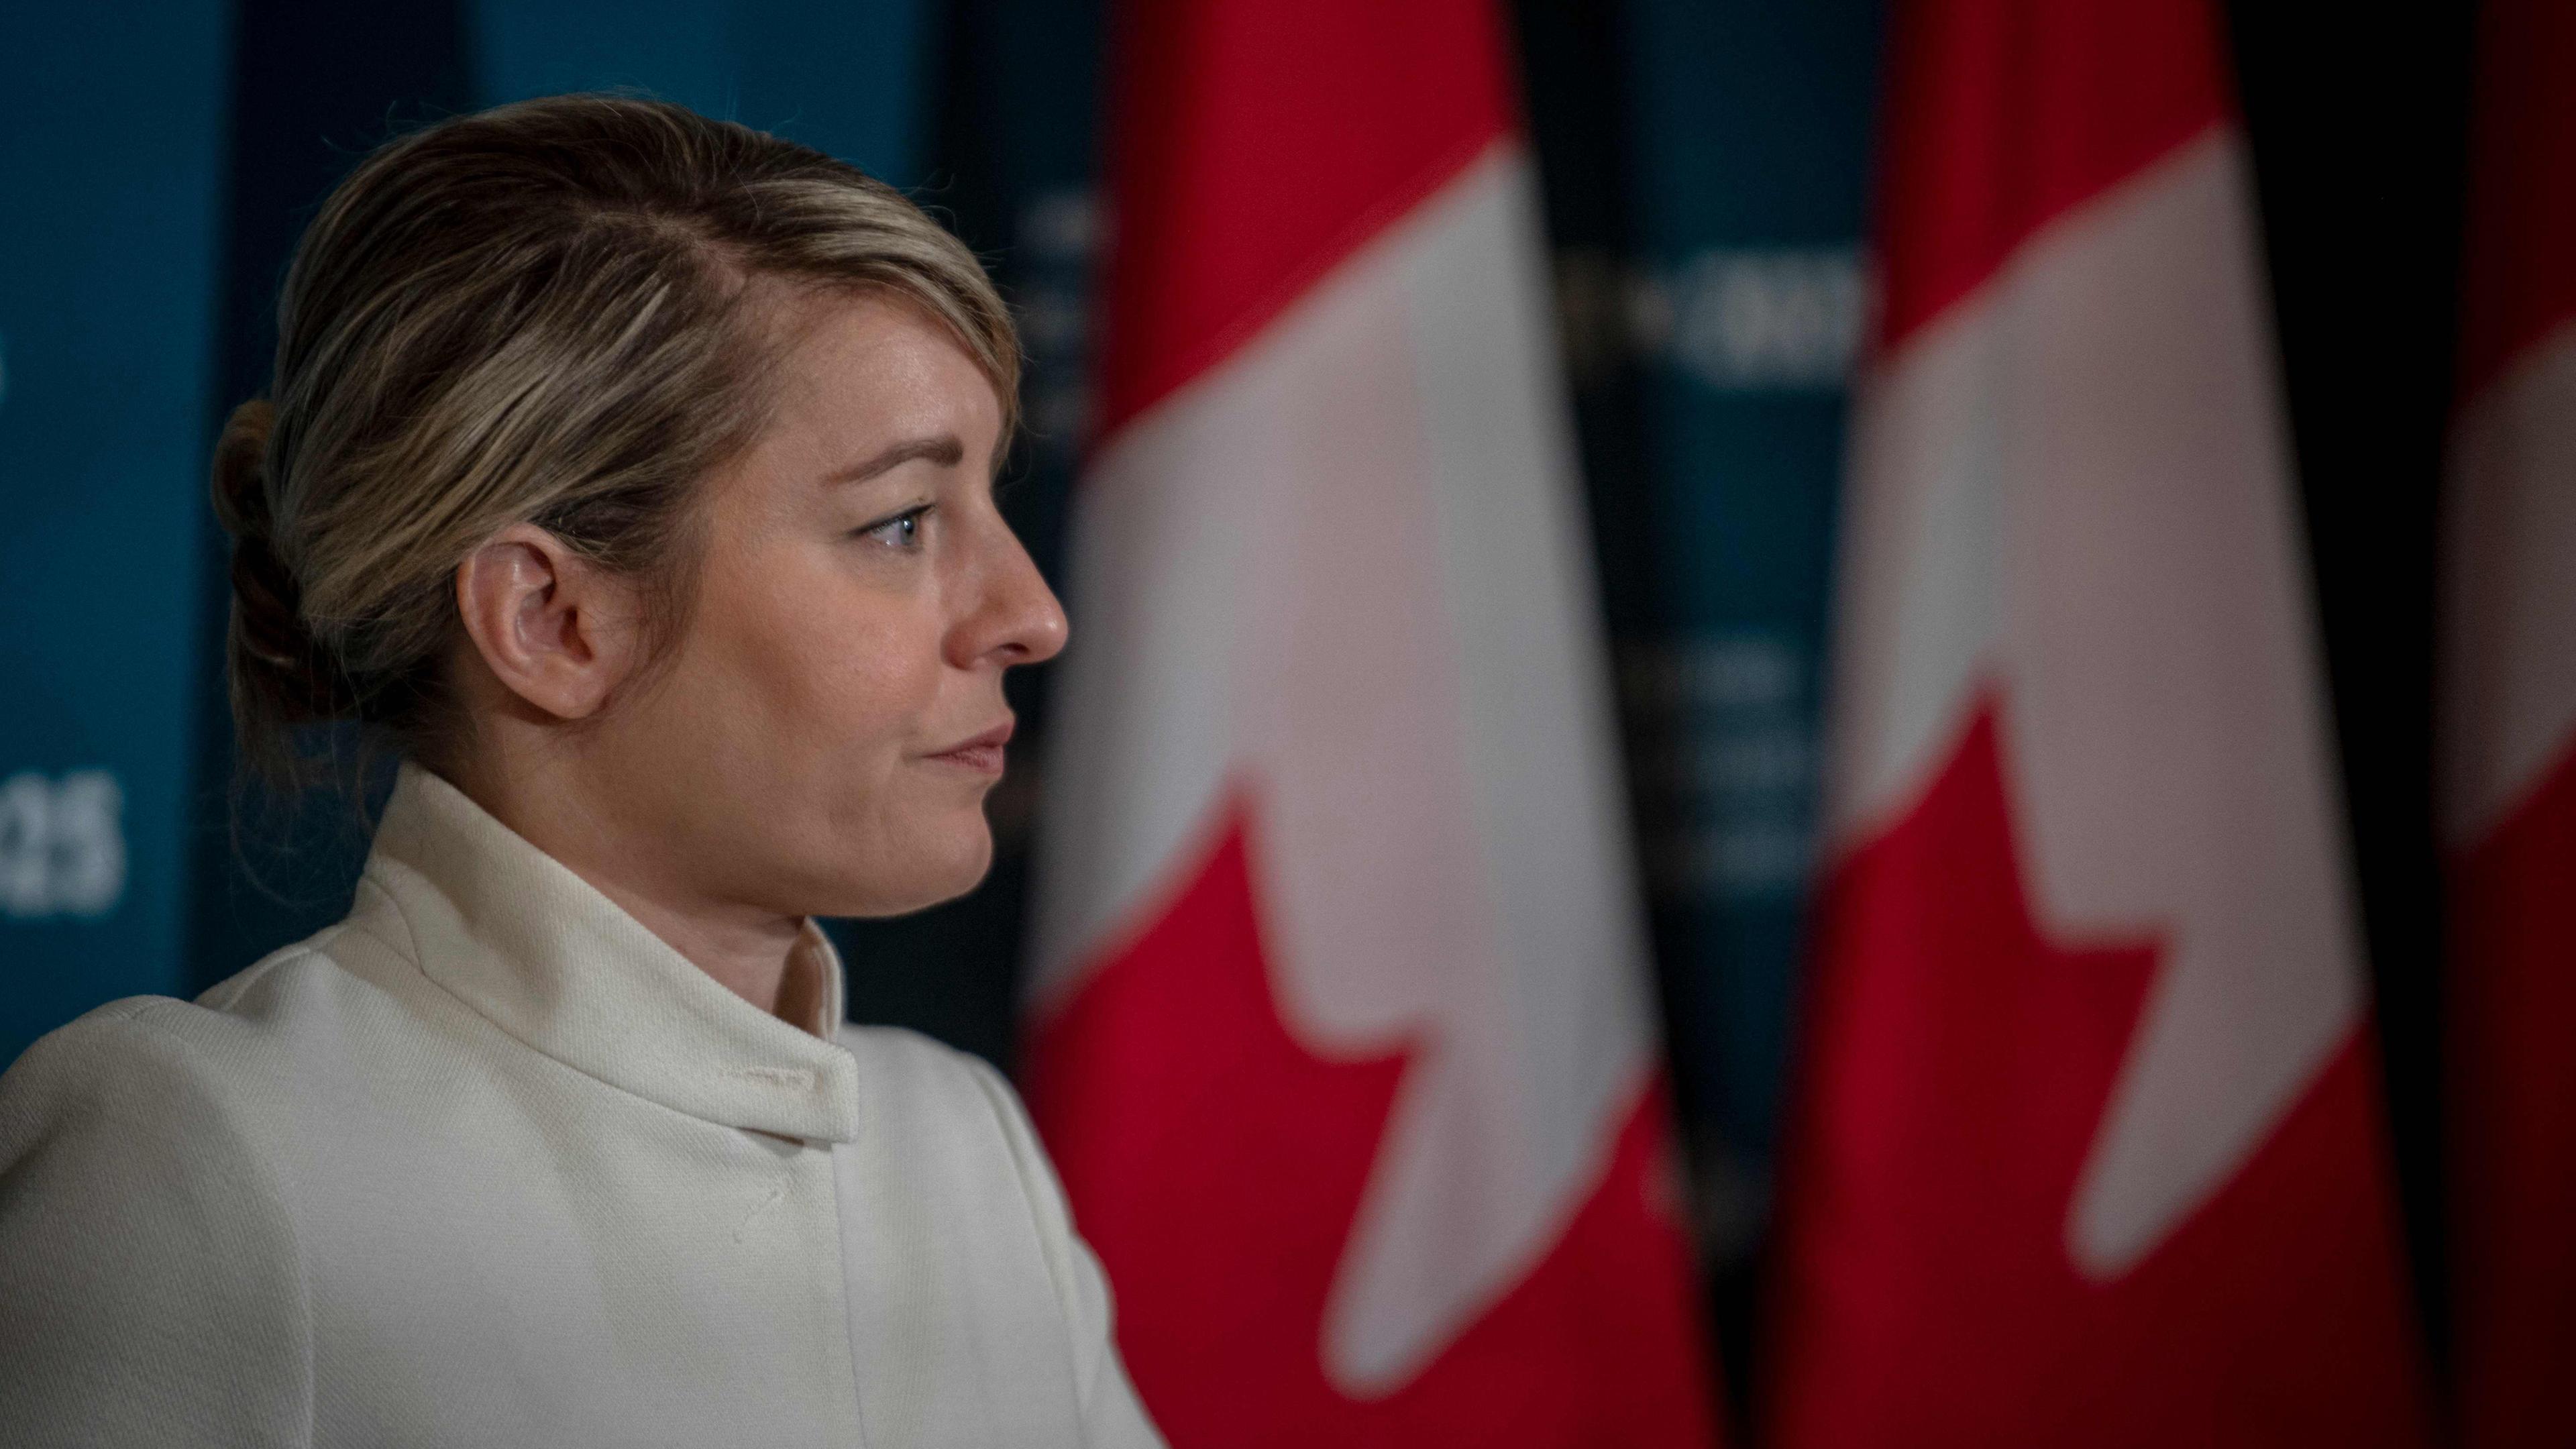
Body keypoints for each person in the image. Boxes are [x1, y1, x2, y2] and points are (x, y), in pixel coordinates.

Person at [0, 95, 1161, 1448]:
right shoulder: (201, 1154)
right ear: (552, 621)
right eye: (901, 522)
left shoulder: (964, 1151)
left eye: (989, 504)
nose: (1032, 614)